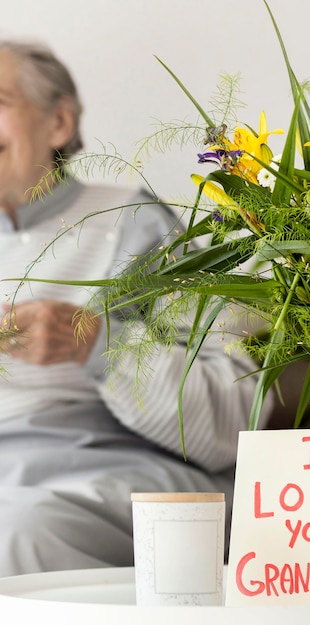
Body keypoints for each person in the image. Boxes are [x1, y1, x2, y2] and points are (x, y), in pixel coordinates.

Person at [0, 39, 272, 577]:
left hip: (112, 468)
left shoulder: (132, 224)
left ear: (57, 123)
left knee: (17, 530)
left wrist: (94, 346)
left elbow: (229, 419)